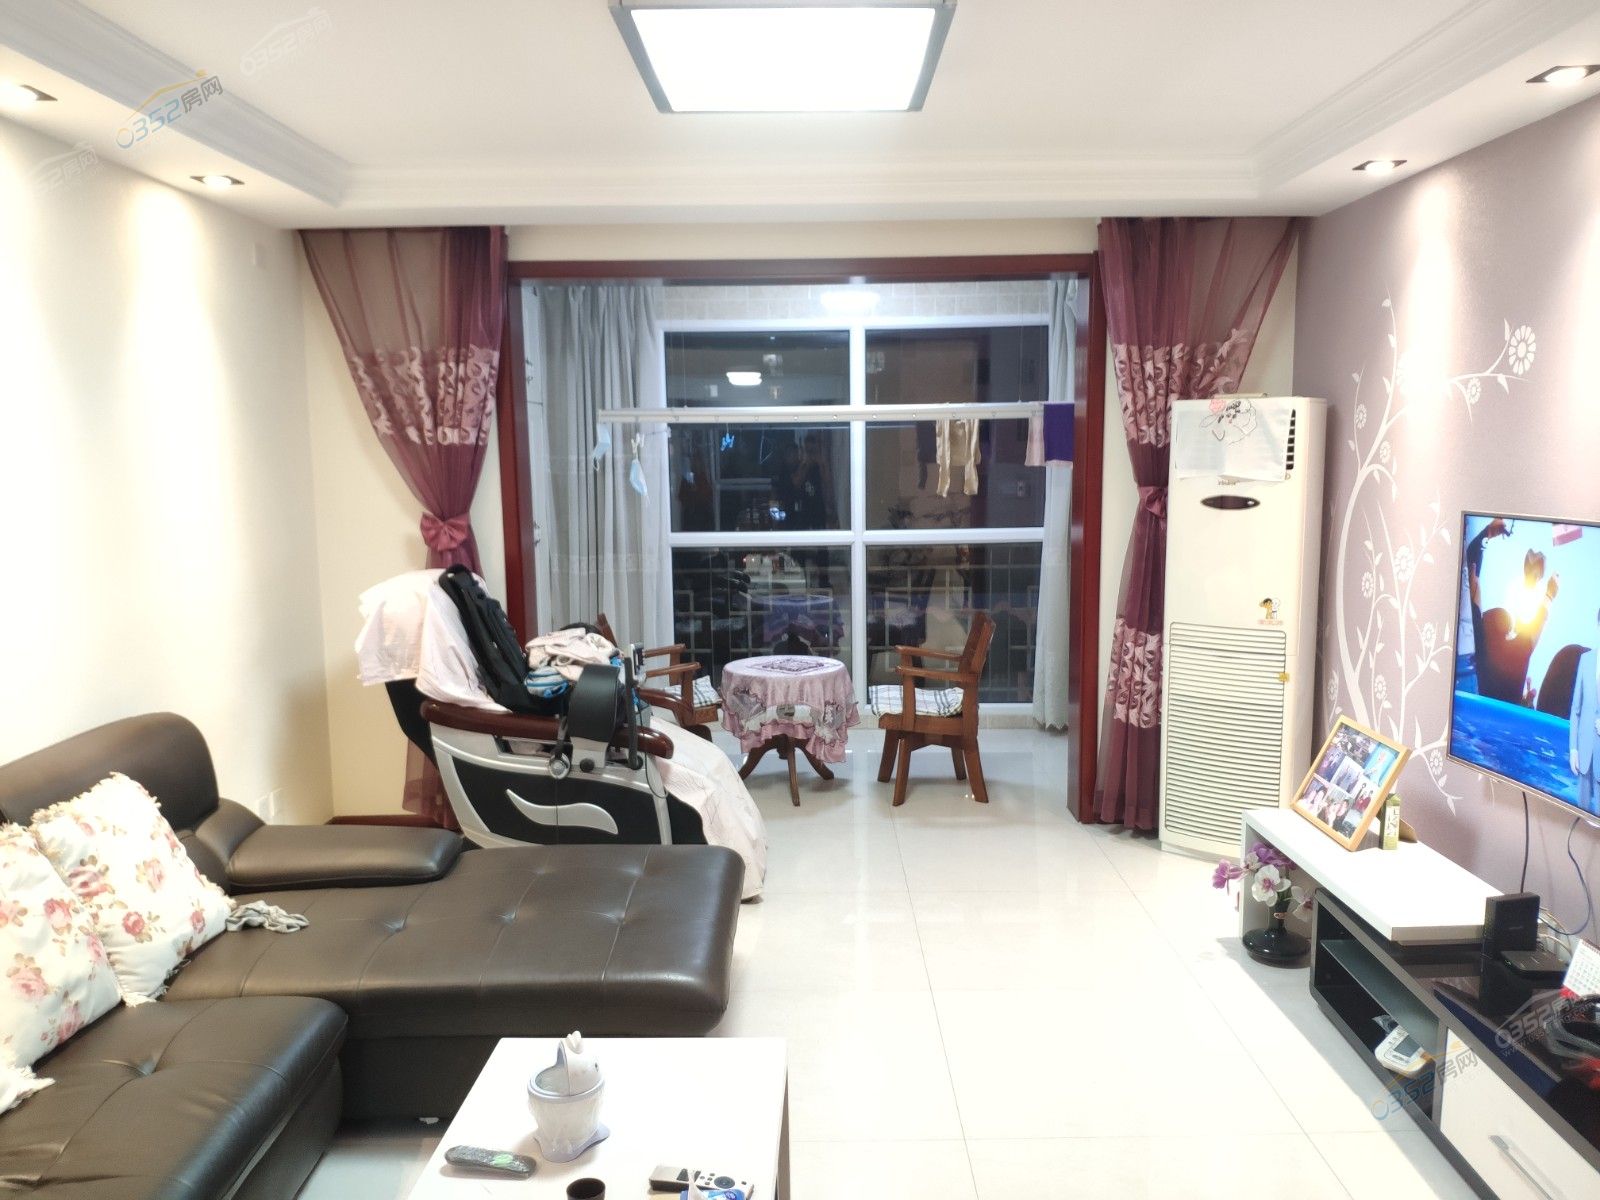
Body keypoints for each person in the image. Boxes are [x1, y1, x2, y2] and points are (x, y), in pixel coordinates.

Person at [1465, 517, 1560, 704]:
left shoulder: (1477, 640)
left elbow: (1471, 578)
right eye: (1509, 633)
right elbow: (1532, 631)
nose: (1512, 633)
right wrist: (1549, 595)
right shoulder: (1512, 656)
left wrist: (1486, 535)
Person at [1571, 608, 1600, 814]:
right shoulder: (1586, 660)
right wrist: (1573, 748)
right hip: (1584, 752)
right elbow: (1576, 709)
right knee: (1579, 813)